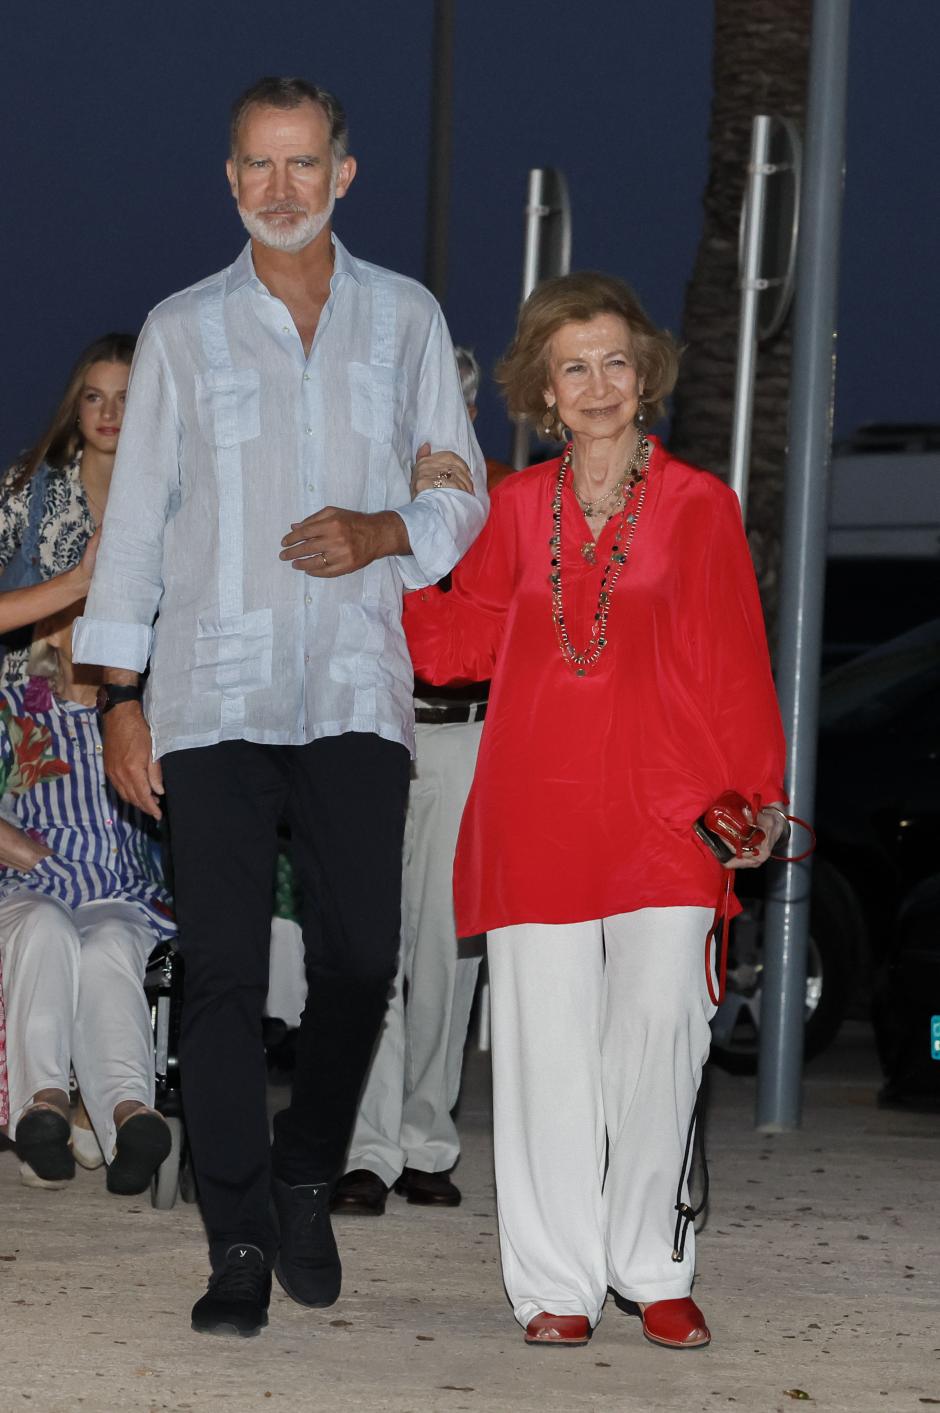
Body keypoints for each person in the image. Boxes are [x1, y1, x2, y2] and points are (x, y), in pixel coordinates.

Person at [73, 75, 486, 1339]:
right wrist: (119, 700)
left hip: (356, 688)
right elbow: (135, 523)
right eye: (257, 165)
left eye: (303, 164)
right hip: (209, 694)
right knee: (222, 976)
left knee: (365, 956)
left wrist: (384, 528)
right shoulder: (183, 329)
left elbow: (460, 498)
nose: (280, 188)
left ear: (343, 175)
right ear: (231, 178)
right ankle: (241, 1232)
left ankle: (310, 1166)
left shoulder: (406, 321)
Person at [402, 272, 788, 1350]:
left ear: (644, 373)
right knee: (543, 1055)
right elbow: (448, 647)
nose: (599, 383)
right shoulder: (514, 512)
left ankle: (653, 1266)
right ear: (542, 390)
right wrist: (406, 526)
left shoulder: (701, 506)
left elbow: (736, 669)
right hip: (536, 815)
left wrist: (754, 801)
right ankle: (556, 1288)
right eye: (574, 366)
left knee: (662, 1037)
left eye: (614, 360)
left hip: (671, 817)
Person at [333, 348, 510, 1217]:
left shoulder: (511, 502)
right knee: (373, 942)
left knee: (447, 947)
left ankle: (427, 1139)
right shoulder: (360, 509)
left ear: (469, 415)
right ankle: (366, 1147)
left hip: (470, 735)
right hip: (371, 730)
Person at [0, 604, 174, 1193]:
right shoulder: (15, 707)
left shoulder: (145, 713)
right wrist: (38, 859)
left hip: (121, 887)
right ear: (51, 634)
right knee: (45, 928)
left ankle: (131, 1117)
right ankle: (44, 1106)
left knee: (109, 944)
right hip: (30, 881)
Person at [0, 334, 135, 687]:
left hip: (138, 708)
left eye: (126, 397)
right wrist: (73, 584)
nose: (109, 413)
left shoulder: (172, 494)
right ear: (76, 406)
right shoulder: (32, 485)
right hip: (35, 714)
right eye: (94, 397)